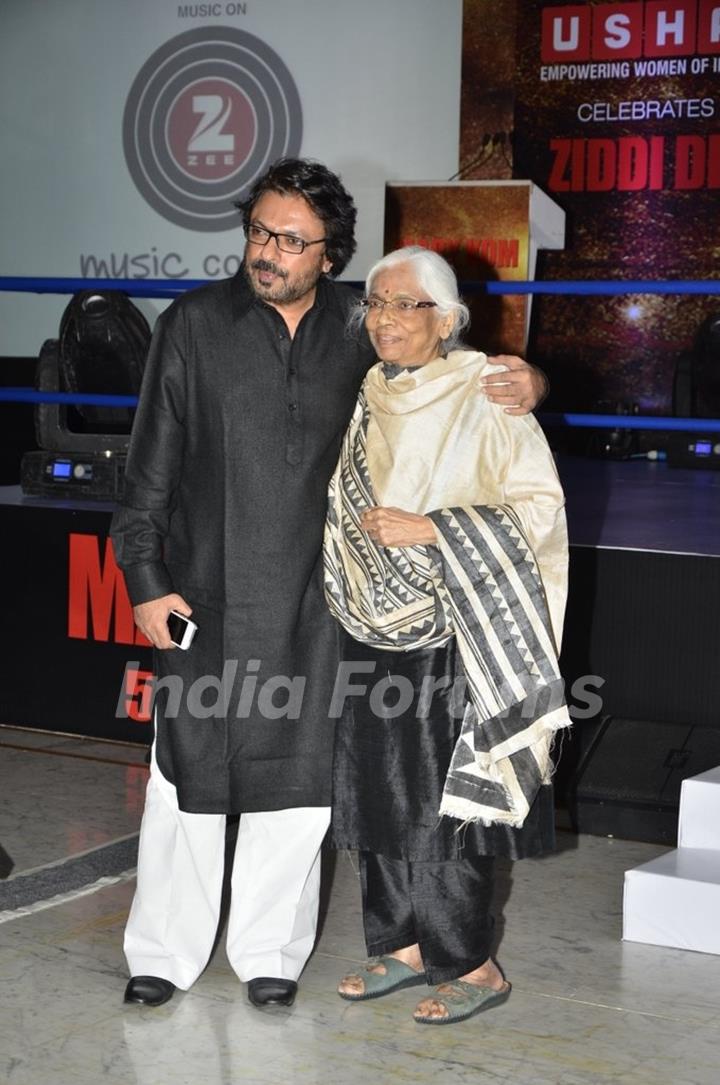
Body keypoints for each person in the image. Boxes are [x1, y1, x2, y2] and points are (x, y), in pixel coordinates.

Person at [110, 159, 547, 1010]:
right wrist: (144, 579)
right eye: (258, 232)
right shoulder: (193, 325)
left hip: (320, 608)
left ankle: (271, 951)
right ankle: (163, 951)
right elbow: (147, 469)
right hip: (203, 600)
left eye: (291, 240)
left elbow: (451, 370)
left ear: (331, 252)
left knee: (301, 788)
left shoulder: (362, 322)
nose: (267, 252)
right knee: (186, 777)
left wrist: (530, 379)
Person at [324, 245, 570, 1025]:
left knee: (442, 799)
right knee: (372, 785)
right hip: (369, 615)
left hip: (458, 624)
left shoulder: (491, 391)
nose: (386, 319)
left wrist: (433, 529)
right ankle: (397, 945)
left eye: (406, 305)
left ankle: (473, 961)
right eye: (376, 302)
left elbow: (538, 511)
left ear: (448, 319)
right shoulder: (370, 390)